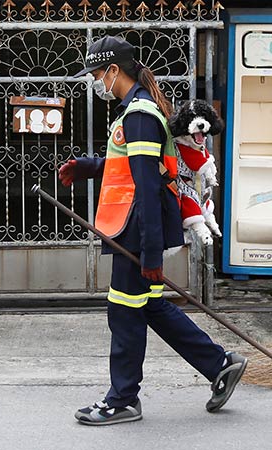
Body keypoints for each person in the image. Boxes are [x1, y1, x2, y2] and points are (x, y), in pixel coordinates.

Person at [58, 36, 247, 425]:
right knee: (149, 306)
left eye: (97, 74)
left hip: (136, 228)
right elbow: (129, 166)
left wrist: (149, 252)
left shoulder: (140, 114)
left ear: (113, 71)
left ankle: (123, 399)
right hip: (134, 225)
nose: (96, 82)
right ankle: (220, 363)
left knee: (125, 311)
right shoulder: (137, 110)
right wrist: (88, 167)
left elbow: (146, 185)